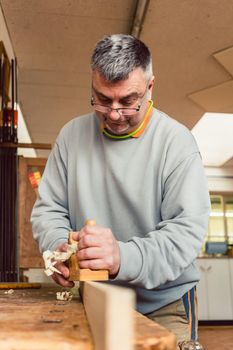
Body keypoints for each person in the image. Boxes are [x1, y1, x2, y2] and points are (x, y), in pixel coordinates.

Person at [31, 34, 210, 345]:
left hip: (163, 304)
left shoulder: (177, 144)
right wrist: (59, 248)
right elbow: (50, 209)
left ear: (150, 87)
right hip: (93, 298)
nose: (114, 114)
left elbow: (185, 235)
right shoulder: (71, 137)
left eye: (128, 101)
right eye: (102, 99)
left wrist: (121, 257)